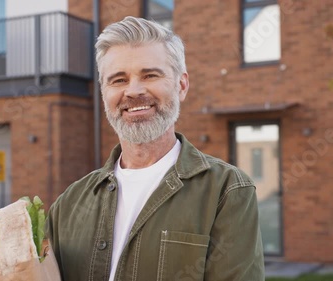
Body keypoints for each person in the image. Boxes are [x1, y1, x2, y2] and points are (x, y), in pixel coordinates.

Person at [46, 16, 265, 281]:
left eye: (150, 75)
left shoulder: (227, 191)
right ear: (104, 92)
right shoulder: (68, 204)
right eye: (118, 80)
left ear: (181, 85)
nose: (133, 91)